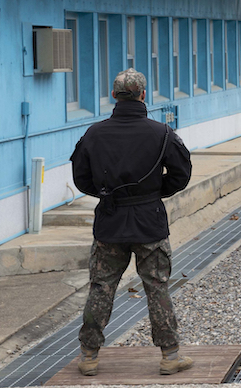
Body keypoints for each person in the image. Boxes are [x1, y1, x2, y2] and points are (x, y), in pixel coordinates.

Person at [70, 68, 195, 377]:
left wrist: (105, 194)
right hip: (149, 221)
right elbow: (181, 174)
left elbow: (80, 178)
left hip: (110, 222)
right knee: (157, 286)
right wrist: (154, 193)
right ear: (143, 95)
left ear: (114, 96)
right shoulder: (162, 133)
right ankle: (170, 356)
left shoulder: (94, 134)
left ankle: (88, 356)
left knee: (101, 286)